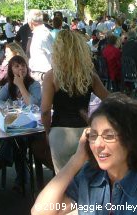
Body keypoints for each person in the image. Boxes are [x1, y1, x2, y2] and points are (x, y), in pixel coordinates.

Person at [32, 94, 137, 215]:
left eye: (109, 136)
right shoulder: (90, 176)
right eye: (93, 136)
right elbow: (40, 211)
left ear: (131, 139)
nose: (98, 144)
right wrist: (76, 159)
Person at [41, 30, 110, 172]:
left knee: (65, 184)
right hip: (85, 131)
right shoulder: (89, 75)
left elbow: (45, 110)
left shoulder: (52, 76)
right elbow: (110, 100)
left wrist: (48, 132)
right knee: (88, 183)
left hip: (60, 132)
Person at [0, 56, 42, 189]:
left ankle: (1, 164)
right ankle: (20, 181)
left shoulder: (34, 85)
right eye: (16, 66)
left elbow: (32, 103)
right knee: (14, 139)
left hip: (34, 127)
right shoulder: (8, 86)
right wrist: (10, 104)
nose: (21, 68)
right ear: (11, 70)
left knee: (16, 139)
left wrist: (21, 85)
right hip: (16, 125)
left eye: (23, 65)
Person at [28, 9, 54, 85]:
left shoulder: (42, 34)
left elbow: (54, 55)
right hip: (40, 74)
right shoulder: (40, 33)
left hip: (43, 75)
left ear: (31, 22)